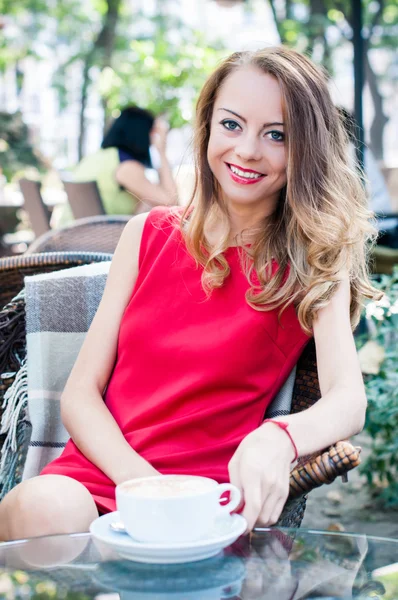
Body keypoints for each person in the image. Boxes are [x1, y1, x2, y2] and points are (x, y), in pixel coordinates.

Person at [0, 46, 381, 541]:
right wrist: (144, 487)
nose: (246, 150)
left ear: (307, 147)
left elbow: (348, 400)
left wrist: (280, 437)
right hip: (105, 473)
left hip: (208, 496)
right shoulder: (148, 234)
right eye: (231, 124)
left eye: (277, 135)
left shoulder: (314, 261)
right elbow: (80, 395)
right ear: (206, 126)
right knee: (37, 509)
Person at [57, 106, 178, 225]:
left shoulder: (96, 157)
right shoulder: (126, 166)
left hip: (68, 236)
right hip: (94, 240)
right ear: (143, 133)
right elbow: (172, 205)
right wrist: (162, 151)